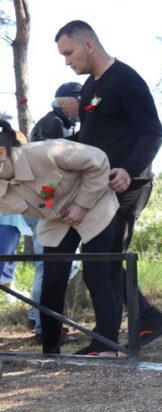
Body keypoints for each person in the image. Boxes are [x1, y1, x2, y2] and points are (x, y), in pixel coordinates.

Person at [54, 20, 162, 352]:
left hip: (127, 185)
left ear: (89, 44)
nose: (66, 60)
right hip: (98, 186)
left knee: (100, 263)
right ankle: (143, 321)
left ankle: (106, 341)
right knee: (103, 262)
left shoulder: (127, 80)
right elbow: (90, 138)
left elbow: (153, 132)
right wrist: (53, 150)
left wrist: (129, 171)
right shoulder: (90, 87)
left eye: (69, 52)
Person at [0, 121, 121, 355]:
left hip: (94, 204)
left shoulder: (45, 151)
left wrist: (81, 205)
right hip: (57, 220)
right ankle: (50, 350)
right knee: (52, 279)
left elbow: (98, 161)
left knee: (96, 274)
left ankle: (108, 346)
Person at [26, 82, 84, 340]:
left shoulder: (62, 123)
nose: (82, 103)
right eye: (78, 98)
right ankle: (42, 327)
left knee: (60, 263)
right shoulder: (53, 124)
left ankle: (37, 317)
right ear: (63, 101)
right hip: (41, 200)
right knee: (48, 265)